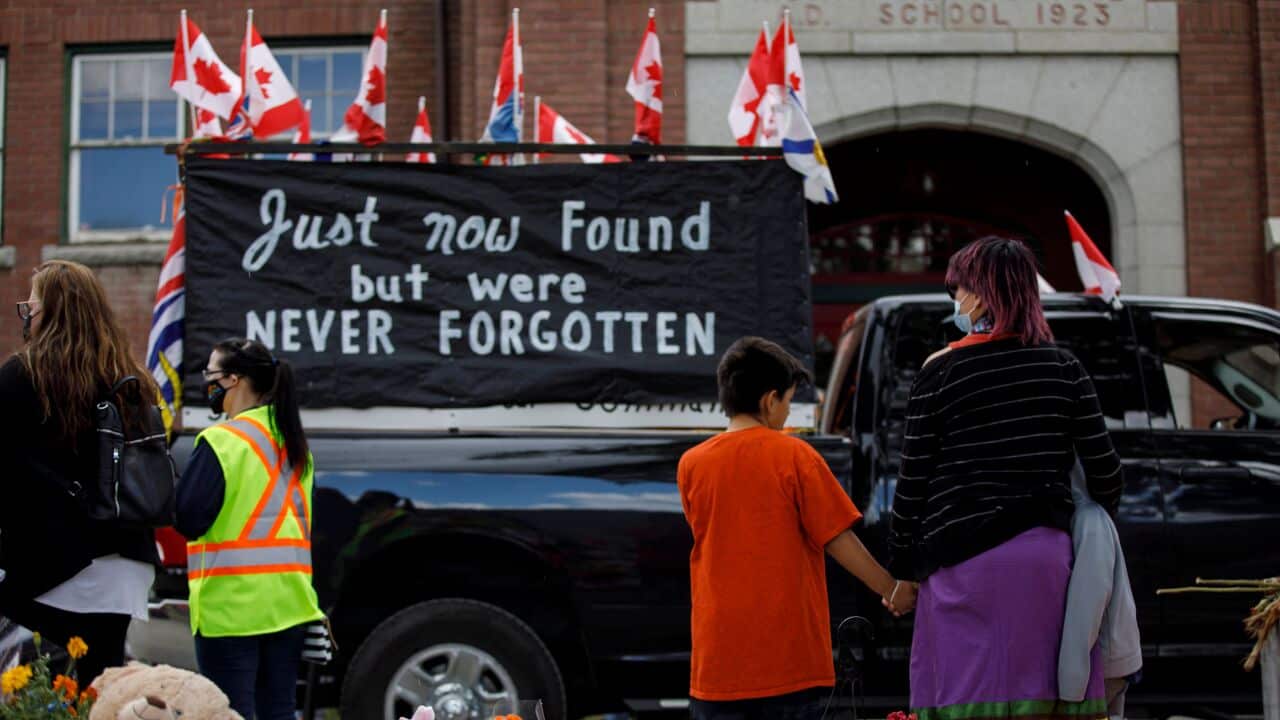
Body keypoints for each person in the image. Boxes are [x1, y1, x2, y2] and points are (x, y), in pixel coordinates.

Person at [888, 236, 1124, 720]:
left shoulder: (940, 372)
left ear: (978, 294)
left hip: (957, 567)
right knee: (1043, 700)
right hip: (1044, 562)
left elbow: (912, 485)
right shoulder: (1064, 368)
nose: (954, 300)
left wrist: (902, 570)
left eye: (958, 290)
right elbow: (1106, 475)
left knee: (964, 699)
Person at [678, 336, 916, 720]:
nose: (788, 413)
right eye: (788, 401)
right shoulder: (795, 456)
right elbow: (837, 537)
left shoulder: (691, 464)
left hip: (716, 667)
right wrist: (891, 588)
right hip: (787, 665)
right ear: (769, 400)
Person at [0, 260, 159, 683]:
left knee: (49, 691)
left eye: (30, 306)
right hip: (128, 563)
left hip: (58, 565)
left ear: (50, 311)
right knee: (99, 686)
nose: (27, 316)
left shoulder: (24, 376)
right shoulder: (132, 379)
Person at [175, 338, 323, 720]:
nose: (206, 383)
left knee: (231, 714)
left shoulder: (222, 442)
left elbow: (188, 519)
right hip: (289, 606)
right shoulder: (294, 444)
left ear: (234, 380)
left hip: (231, 610)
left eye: (211, 375)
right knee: (278, 712)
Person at [1058, 461, 1142, 720]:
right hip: (1113, 655)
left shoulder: (1089, 519)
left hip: (1107, 659)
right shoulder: (1089, 518)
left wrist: (1070, 688)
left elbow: (1088, 606)